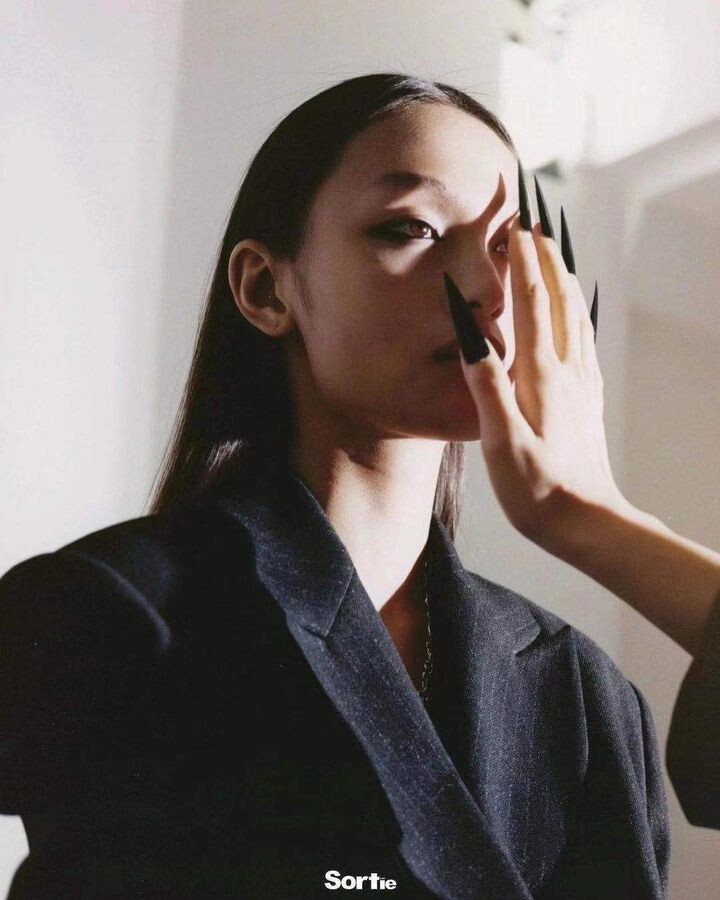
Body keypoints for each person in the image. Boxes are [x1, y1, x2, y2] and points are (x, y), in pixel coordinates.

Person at [0, 74, 670, 899]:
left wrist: (596, 516)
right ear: (266, 288)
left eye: (507, 246)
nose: (488, 290)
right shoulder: (114, 613)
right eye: (411, 228)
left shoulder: (588, 697)